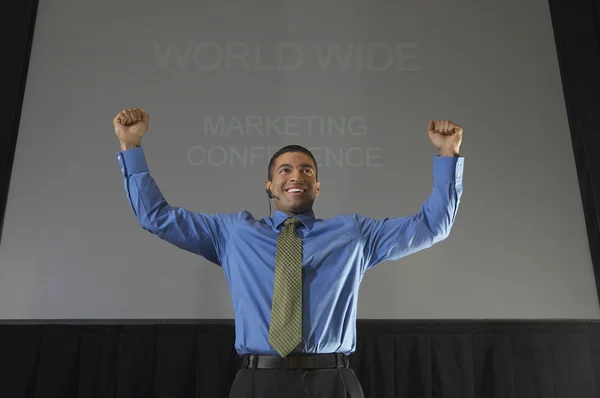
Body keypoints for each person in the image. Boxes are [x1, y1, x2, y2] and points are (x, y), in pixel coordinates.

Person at [113, 108, 464, 398]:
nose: (296, 176)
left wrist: (447, 154)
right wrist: (131, 146)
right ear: (269, 186)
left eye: (306, 170)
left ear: (318, 185)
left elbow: (432, 226)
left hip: (333, 382)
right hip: (258, 382)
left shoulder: (354, 234)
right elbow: (157, 217)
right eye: (285, 170)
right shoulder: (233, 234)